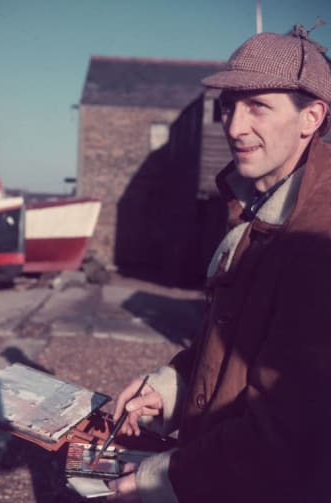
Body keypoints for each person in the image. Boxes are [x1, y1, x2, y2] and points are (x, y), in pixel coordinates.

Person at [107, 24, 331, 503]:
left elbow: (292, 424)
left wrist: (166, 479)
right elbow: (233, 345)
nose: (233, 126)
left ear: (311, 117)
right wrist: (172, 388)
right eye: (228, 105)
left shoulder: (319, 239)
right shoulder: (254, 206)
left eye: (258, 106)